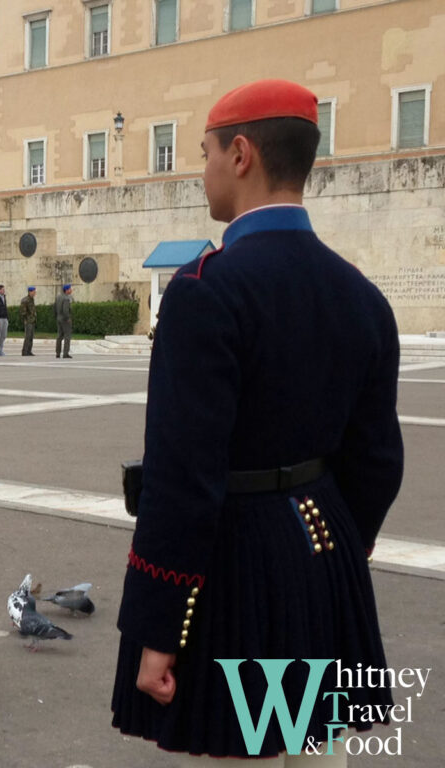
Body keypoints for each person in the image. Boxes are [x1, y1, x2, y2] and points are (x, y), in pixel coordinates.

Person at [111, 80, 403, 764]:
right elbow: (378, 460)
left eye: (206, 150)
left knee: (244, 752)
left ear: (240, 154)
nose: (201, 168)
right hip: (325, 548)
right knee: (308, 747)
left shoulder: (206, 291)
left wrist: (160, 628)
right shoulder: (360, 295)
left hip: (234, 563)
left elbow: (184, 479)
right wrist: (335, 553)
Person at [54, 284, 73, 358]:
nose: (71, 290)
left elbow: (54, 308)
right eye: (70, 289)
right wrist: (68, 318)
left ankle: (57, 353)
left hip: (59, 318)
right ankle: (65, 353)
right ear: (67, 290)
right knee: (67, 336)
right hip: (65, 320)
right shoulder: (66, 298)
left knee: (59, 336)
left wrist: (56, 316)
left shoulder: (58, 297)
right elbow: (65, 310)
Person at [19, 286, 37, 356]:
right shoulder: (25, 300)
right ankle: (25, 351)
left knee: (31, 337)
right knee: (28, 336)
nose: (35, 293)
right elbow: (23, 312)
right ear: (30, 292)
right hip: (28, 321)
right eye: (34, 291)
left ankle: (29, 350)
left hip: (32, 320)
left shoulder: (31, 299)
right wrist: (27, 318)